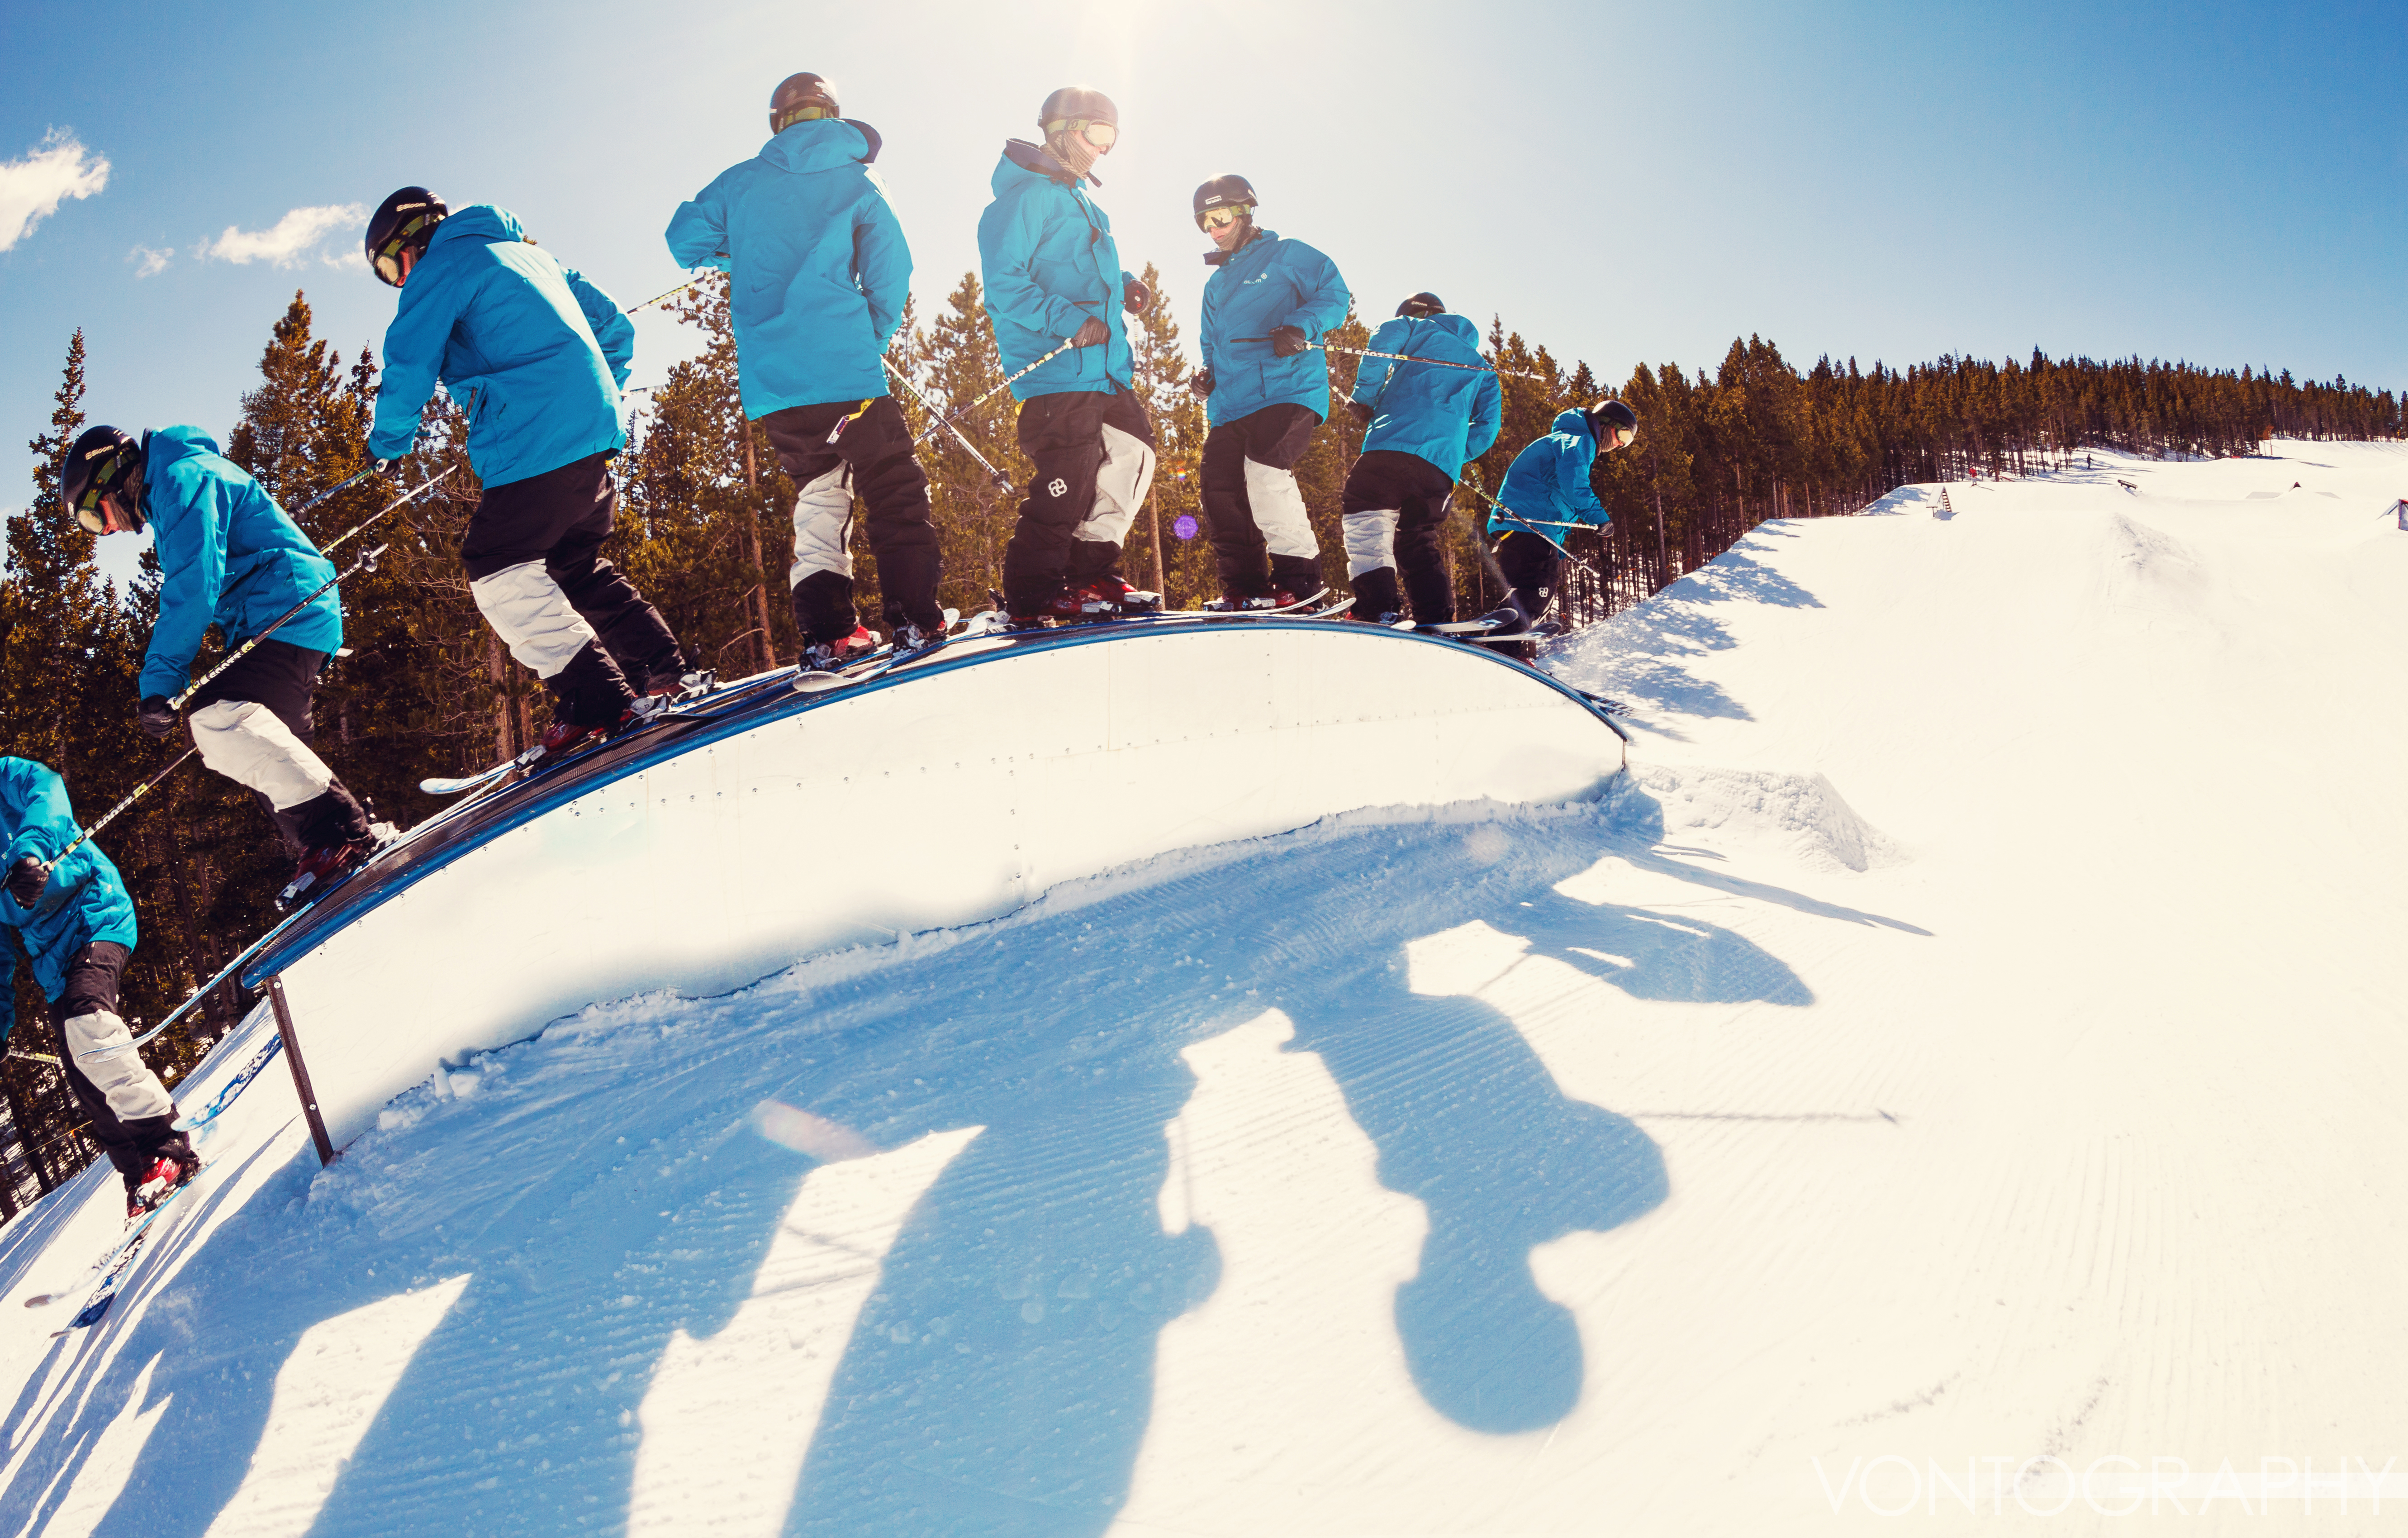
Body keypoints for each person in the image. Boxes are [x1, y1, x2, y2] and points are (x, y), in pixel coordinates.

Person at [365, 187, 696, 757]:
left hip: (535, 436)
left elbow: (410, 360)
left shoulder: (441, 266)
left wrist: (388, 444)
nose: (400, 281)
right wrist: (591, 398)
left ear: (411, 240)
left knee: (494, 566)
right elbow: (616, 330)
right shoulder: (534, 256)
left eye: (393, 267)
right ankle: (665, 671)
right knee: (574, 561)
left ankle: (596, 696)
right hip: (591, 430)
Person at [665, 72, 947, 669]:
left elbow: (683, 240)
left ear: (778, 122)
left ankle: (828, 632)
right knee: (893, 484)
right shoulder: (858, 177)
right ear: (833, 116)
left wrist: (739, 247)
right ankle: (915, 619)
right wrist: (866, 336)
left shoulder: (741, 182)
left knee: (819, 492)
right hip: (843, 371)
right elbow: (891, 272)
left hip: (777, 387)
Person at [60, 426, 377, 898]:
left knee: (218, 714)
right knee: (273, 753)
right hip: (281, 612)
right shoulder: (176, 483)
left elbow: (194, 586)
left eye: (94, 517)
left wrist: (160, 682)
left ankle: (345, 837)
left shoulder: (180, 480)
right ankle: (332, 847)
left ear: (111, 477)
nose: (108, 530)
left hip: (286, 609)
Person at [976, 86, 1160, 627]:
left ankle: (1087, 573)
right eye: (1097, 134)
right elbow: (1005, 285)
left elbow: (1080, 271)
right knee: (1069, 480)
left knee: (1134, 455)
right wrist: (1070, 321)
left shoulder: (1081, 201)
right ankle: (1031, 596)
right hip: (1058, 366)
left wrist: (1124, 285)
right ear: (1061, 130)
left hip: (1103, 368)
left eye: (1112, 138)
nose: (1103, 148)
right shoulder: (1021, 199)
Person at [1, 758, 195, 1216]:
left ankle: (166, 1144)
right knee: (85, 1078)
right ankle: (141, 1179)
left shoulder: (6, 776)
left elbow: (44, 789)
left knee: (87, 1019)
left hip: (95, 913)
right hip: (52, 959)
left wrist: (28, 854)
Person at [1189, 174, 1350, 608]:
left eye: (1220, 216)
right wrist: (1207, 376)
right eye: (1204, 222)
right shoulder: (1215, 285)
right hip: (1230, 405)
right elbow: (1212, 345)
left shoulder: (1286, 254)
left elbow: (1334, 293)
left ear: (1245, 211)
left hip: (1285, 388)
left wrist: (1300, 326)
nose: (1214, 228)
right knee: (1219, 489)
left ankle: (1301, 583)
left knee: (1264, 472)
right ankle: (1244, 588)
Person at [1339, 293, 1501, 625]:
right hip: (1439, 470)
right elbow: (1488, 426)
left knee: (1366, 517)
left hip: (1390, 447)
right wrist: (1452, 454)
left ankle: (1376, 606)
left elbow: (1382, 339)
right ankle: (1435, 617)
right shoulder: (1482, 367)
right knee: (1418, 539)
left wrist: (1364, 396)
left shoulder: (1414, 327)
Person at [1487, 400, 1639, 634]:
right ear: (1608, 424)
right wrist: (1599, 518)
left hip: (1520, 525)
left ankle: (1490, 640)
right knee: (1539, 592)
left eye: (1627, 443)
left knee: (1529, 592)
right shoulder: (1579, 440)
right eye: (1624, 435)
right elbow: (1574, 484)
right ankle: (1503, 646)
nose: (1620, 444)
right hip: (1530, 526)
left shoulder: (1566, 439)